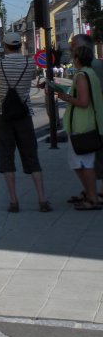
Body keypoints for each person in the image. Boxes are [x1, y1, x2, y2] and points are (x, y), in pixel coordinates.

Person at [0, 32, 51, 213]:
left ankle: (14, 201)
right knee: (31, 156)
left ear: (5, 46)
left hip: (3, 114)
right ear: (20, 46)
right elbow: (35, 78)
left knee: (6, 156)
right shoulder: (30, 63)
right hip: (24, 114)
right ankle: (42, 199)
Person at [50, 40, 102, 210]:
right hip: (86, 124)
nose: (72, 59)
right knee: (81, 162)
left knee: (83, 164)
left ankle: (92, 198)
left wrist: (65, 97)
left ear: (78, 58)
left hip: (82, 126)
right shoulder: (90, 73)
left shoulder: (81, 76)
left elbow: (83, 102)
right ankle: (90, 194)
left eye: (73, 57)